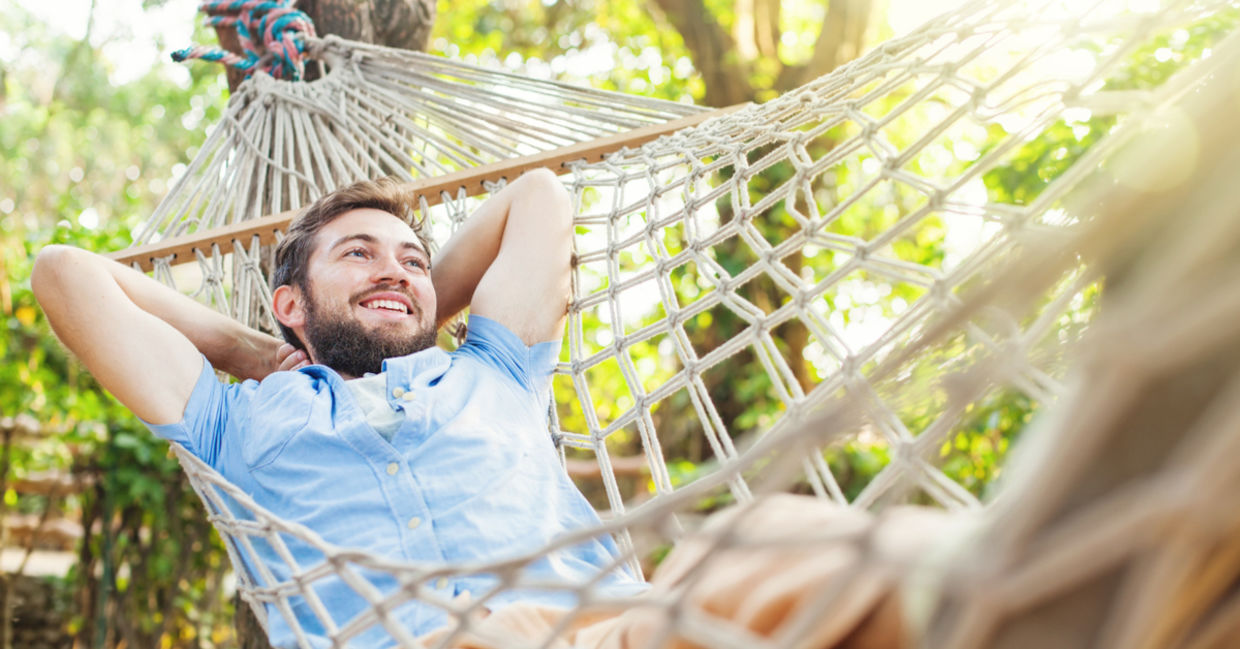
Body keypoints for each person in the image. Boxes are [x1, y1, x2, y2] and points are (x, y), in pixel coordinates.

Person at [33, 170, 945, 649]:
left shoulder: (493, 369)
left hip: (604, 630)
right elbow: (65, 274)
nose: (394, 268)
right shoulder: (233, 422)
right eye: (357, 253)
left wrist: (404, 302)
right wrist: (250, 351)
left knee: (789, 539)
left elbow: (537, 198)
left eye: (412, 259)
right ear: (289, 303)